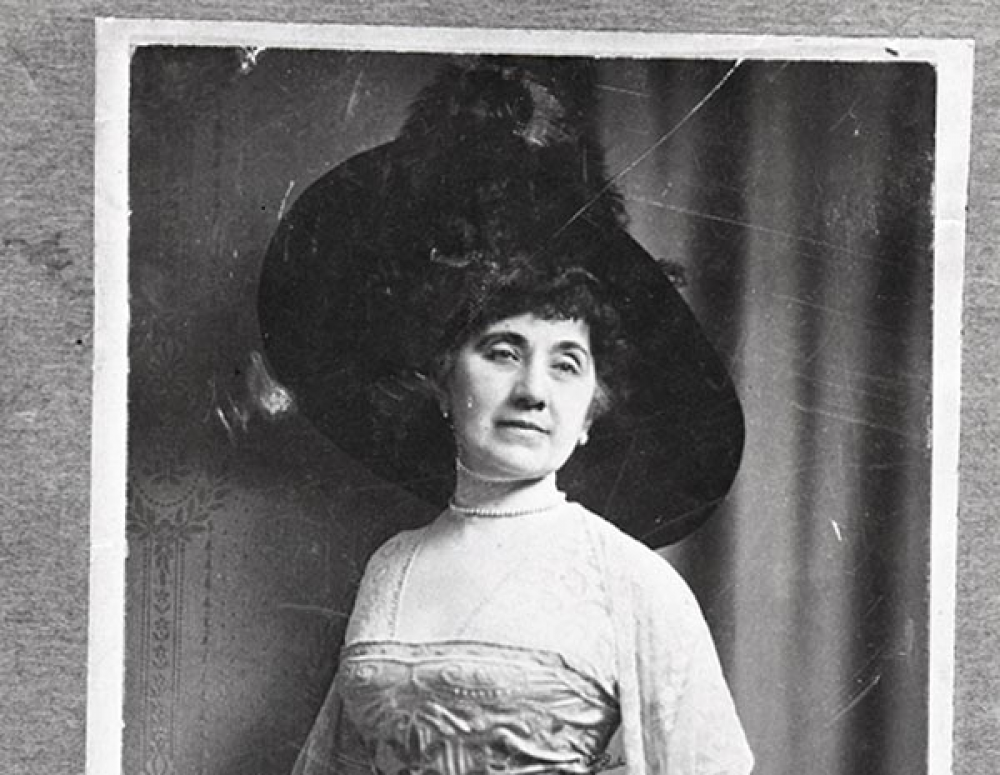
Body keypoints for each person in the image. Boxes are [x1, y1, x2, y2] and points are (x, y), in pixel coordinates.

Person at [254, 57, 753, 775]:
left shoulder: (630, 581)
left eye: (567, 363)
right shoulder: (391, 566)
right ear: (440, 376)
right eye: (502, 351)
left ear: (593, 409)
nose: (533, 391)